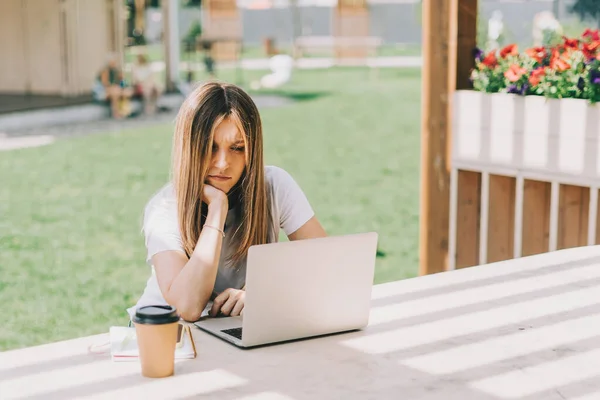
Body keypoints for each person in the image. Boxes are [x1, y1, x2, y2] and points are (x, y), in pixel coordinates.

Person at [127, 82, 327, 322]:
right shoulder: (165, 207)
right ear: (190, 148)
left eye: (237, 148)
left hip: (232, 328)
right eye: (210, 147)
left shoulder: (274, 186)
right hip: (166, 335)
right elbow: (187, 307)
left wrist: (261, 295)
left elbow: (325, 264)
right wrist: (217, 209)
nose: (222, 163)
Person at [93, 54, 133, 119]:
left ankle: (125, 112)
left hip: (116, 89)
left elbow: (123, 83)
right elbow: (105, 85)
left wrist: (123, 87)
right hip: (103, 92)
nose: (114, 63)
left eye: (115, 61)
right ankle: (116, 113)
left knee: (126, 92)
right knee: (115, 92)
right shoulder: (105, 71)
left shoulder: (117, 71)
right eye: (113, 62)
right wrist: (116, 87)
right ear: (109, 62)